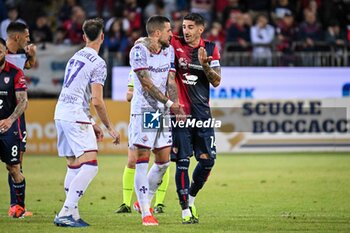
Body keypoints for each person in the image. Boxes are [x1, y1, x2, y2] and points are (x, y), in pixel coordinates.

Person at [53, 18, 120, 227]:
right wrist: (109, 127)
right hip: (74, 115)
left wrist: (90, 121)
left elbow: (77, 93)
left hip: (61, 113)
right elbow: (97, 100)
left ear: (83, 37)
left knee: (74, 165)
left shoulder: (75, 57)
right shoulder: (99, 63)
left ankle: (72, 214)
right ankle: (65, 212)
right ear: (102, 36)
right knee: (90, 166)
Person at [129, 15, 184, 226]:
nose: (173, 34)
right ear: (157, 33)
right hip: (145, 111)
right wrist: (171, 104)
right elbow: (146, 84)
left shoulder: (168, 50)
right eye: (169, 30)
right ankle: (145, 211)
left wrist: (175, 105)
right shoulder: (138, 50)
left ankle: (142, 201)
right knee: (142, 158)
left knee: (163, 161)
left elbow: (170, 80)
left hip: (162, 111)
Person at [169, 13, 221, 224]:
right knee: (182, 162)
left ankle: (190, 199)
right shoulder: (174, 42)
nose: (186, 31)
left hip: (202, 114)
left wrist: (205, 65)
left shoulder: (210, 48)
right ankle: (184, 211)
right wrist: (141, 41)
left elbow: (217, 81)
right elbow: (153, 36)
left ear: (201, 29)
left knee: (208, 161)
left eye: (190, 27)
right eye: (184, 26)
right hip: (181, 114)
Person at [115, 71, 170, 214]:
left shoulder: (162, 67)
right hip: (142, 113)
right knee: (133, 160)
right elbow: (128, 95)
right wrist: (144, 92)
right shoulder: (135, 71)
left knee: (162, 158)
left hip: (160, 113)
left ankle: (159, 203)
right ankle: (126, 203)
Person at [6, 21, 36, 217]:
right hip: (4, 114)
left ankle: (15, 205)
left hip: (16, 115)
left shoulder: (17, 58)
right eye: (26, 35)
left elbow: (29, 66)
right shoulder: (3, 56)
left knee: (16, 161)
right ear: (17, 37)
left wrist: (32, 56)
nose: (29, 39)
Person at [0, 37, 29, 218]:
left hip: (9, 128)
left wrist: (10, 120)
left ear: (5, 52)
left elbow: (23, 101)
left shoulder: (15, 73)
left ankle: (19, 207)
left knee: (14, 169)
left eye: (0, 50)